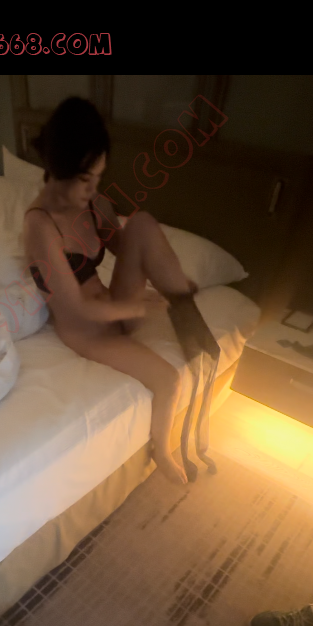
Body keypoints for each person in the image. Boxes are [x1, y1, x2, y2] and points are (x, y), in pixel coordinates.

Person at [23, 97, 220, 487]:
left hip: (113, 307)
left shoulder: (94, 203)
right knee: (169, 381)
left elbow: (124, 246)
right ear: (60, 169)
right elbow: (76, 308)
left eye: (98, 177)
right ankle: (161, 452)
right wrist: (135, 306)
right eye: (86, 179)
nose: (94, 188)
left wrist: (161, 277)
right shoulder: (39, 225)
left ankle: (181, 298)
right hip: (87, 331)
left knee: (142, 222)